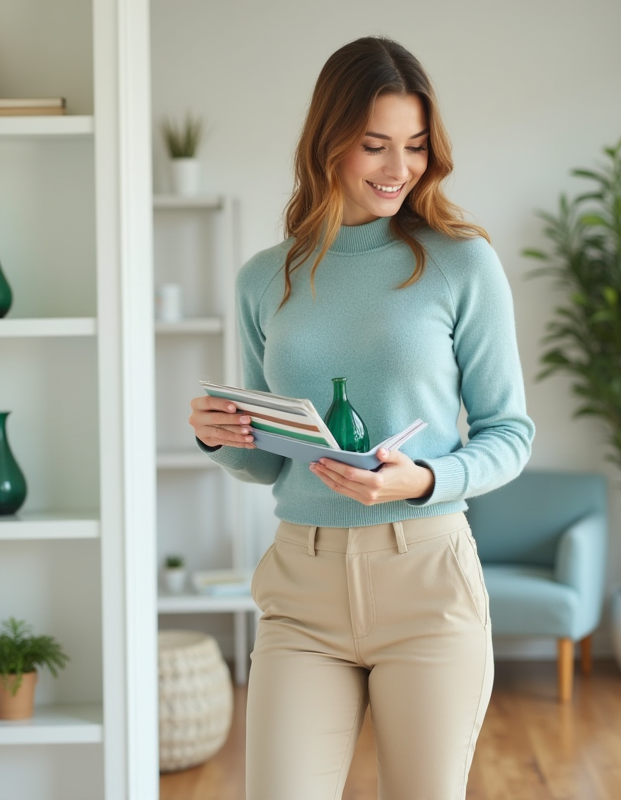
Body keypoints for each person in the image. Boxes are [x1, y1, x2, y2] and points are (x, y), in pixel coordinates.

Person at [187, 35, 534, 800]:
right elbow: (270, 460)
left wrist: (423, 480)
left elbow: (512, 434)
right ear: (328, 142)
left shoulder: (459, 262)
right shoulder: (262, 280)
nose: (397, 168)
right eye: (375, 145)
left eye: (414, 147)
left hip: (427, 583)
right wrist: (221, 436)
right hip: (300, 592)